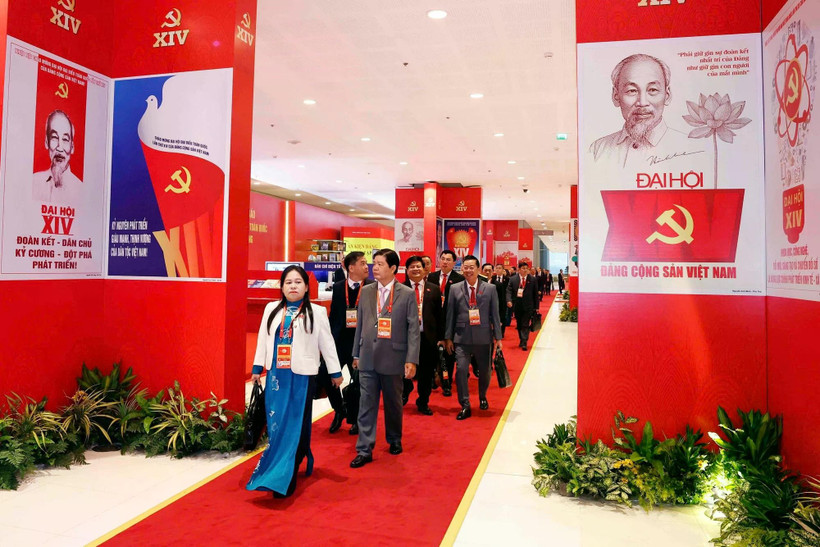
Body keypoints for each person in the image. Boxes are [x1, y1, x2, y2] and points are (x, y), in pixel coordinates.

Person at [247, 266, 342, 498]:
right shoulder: (271, 309)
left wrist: (335, 371)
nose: (293, 286)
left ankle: (287, 473)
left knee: (297, 422)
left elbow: (327, 343)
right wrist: (257, 368)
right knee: (277, 423)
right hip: (276, 376)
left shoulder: (317, 312)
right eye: (288, 282)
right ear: (281, 287)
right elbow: (263, 339)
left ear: (306, 287)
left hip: (302, 376)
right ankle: (280, 467)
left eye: (298, 282)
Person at [350, 249, 419, 468]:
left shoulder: (406, 294)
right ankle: (364, 449)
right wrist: (356, 353)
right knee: (366, 405)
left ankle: (394, 438)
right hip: (368, 357)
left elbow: (413, 330)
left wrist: (411, 359)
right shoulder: (366, 291)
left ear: (393, 268)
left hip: (394, 356)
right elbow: (360, 324)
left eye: (380, 264)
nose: (375, 268)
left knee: (393, 403)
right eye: (374, 263)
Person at [589, 54, 706, 170]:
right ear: (615, 96)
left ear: (667, 95)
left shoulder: (693, 149)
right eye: (632, 91)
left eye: (652, 90)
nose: (642, 102)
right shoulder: (598, 149)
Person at [444, 255, 502, 420]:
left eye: (471, 267)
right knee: (461, 370)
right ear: (462, 269)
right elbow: (450, 314)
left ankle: (482, 396)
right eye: (465, 267)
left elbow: (495, 314)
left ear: (478, 269)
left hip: (484, 337)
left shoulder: (490, 289)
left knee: (485, 371)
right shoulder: (455, 288)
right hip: (461, 337)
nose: (468, 270)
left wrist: (498, 338)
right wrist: (448, 337)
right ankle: (465, 404)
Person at [327, 251, 372, 435]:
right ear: (351, 268)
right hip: (340, 342)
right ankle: (339, 410)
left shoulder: (372, 287)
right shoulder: (339, 287)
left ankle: (356, 418)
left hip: (360, 343)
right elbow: (334, 316)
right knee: (327, 376)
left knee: (360, 382)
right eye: (362, 263)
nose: (367, 267)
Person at [402, 255, 444, 415]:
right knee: (403, 370)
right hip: (405, 339)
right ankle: (405, 390)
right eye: (412, 267)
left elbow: (439, 315)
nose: (415, 269)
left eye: (418, 266)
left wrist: (441, 337)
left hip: (427, 338)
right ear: (407, 270)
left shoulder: (433, 289)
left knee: (426, 373)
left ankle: (423, 401)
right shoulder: (400, 288)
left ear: (424, 269)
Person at [425, 250, 464, 396]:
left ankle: (446, 383)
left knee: (448, 354)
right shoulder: (432, 277)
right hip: (433, 321)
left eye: (448, 259)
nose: (445, 262)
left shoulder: (459, 279)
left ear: (454, 262)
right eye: (442, 259)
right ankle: (432, 378)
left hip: (450, 321)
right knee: (431, 352)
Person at [33, 110, 82, 203]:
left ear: (72, 147)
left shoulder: (81, 190)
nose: (59, 147)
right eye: (54, 138)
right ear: (46, 142)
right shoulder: (33, 182)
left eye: (65, 139)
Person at [507, 262, 538, 351]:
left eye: (526, 268)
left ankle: (524, 342)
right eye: (523, 268)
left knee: (525, 323)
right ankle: (521, 339)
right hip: (517, 305)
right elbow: (508, 291)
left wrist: (536, 307)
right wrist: (509, 300)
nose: (525, 270)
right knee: (519, 324)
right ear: (519, 269)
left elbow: (535, 294)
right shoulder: (513, 279)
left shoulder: (532, 279)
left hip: (528, 305)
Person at [491, 264, 509, 337]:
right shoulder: (492, 279)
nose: (498, 270)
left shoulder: (507, 279)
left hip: (503, 301)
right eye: (497, 268)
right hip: (494, 299)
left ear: (503, 270)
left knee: (502, 316)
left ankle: (502, 332)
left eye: (500, 268)